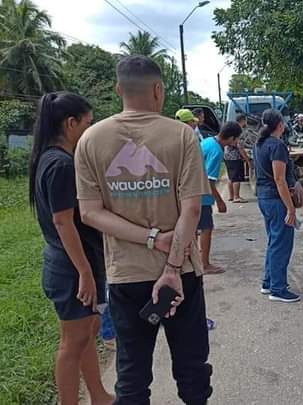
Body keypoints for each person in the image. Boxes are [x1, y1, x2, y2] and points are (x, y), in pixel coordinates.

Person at [75, 55, 213, 405]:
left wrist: (148, 238)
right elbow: (192, 209)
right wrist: (169, 265)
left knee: (132, 375)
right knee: (193, 369)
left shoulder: (90, 140)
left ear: (118, 89)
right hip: (181, 273)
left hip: (126, 276)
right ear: (158, 90)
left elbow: (90, 213)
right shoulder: (182, 135)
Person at [29, 91, 115, 405]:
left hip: (73, 263)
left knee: (88, 332)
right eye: (88, 124)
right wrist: (85, 273)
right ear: (70, 123)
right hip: (70, 268)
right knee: (72, 342)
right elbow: (63, 223)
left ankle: (99, 395)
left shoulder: (52, 159)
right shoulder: (60, 165)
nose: (91, 130)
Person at [255, 108, 301, 303]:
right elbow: (279, 179)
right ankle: (278, 288)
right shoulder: (277, 146)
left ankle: (269, 281)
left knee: (274, 241)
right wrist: (290, 208)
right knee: (281, 243)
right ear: (280, 125)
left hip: (265, 197)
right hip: (276, 199)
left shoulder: (260, 144)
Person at [199, 121, 242, 274]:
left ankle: (194, 260)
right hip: (201, 196)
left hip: (190, 192)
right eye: (236, 139)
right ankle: (204, 264)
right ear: (230, 138)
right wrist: (220, 201)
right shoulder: (217, 151)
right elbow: (209, 181)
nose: (237, 143)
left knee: (193, 229)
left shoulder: (208, 141)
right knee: (206, 228)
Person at [225, 114, 252, 203]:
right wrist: (247, 159)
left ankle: (231, 196)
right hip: (235, 157)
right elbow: (240, 147)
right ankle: (237, 197)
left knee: (230, 176)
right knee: (236, 177)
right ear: (243, 120)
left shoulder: (230, 128)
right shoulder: (238, 130)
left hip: (227, 156)